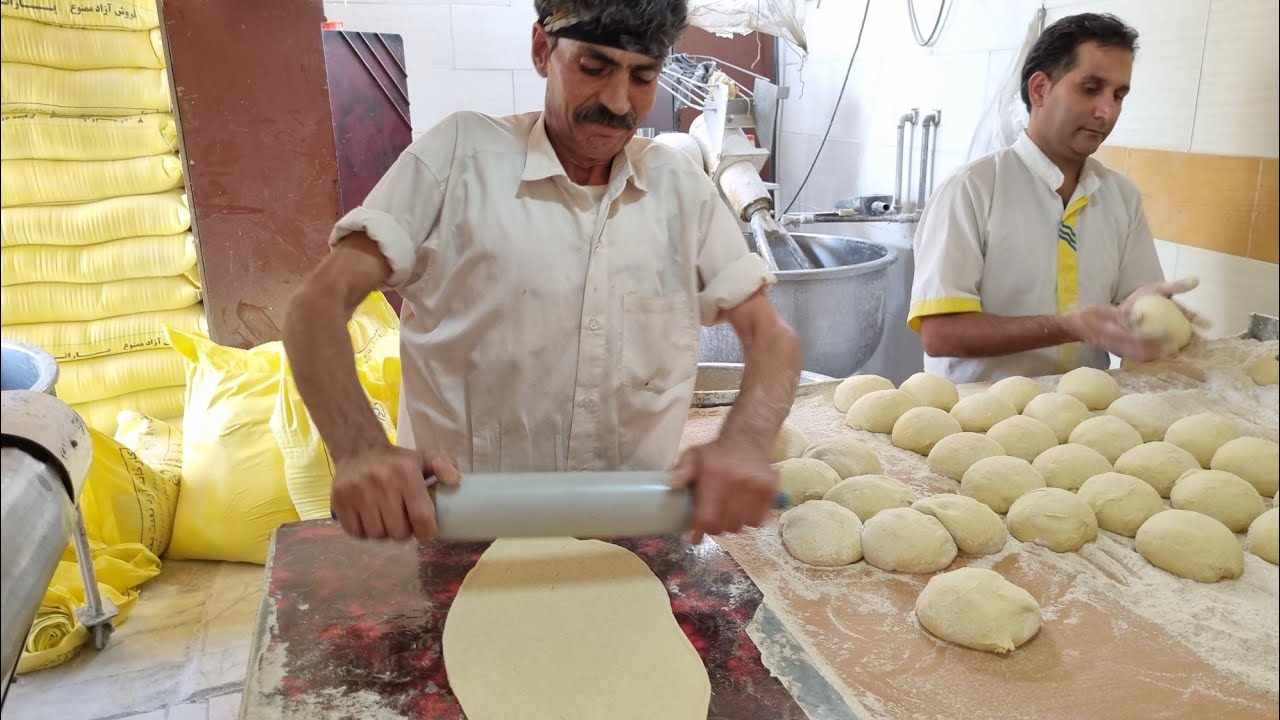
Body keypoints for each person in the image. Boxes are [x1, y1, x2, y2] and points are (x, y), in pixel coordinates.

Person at [282, 0, 801, 544]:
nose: (618, 101)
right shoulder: (459, 159)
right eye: (594, 68)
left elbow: (770, 338)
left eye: (643, 77)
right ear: (541, 50)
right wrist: (361, 446)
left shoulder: (680, 191)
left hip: (630, 536)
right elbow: (317, 306)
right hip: (464, 538)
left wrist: (745, 440)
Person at [907, 12, 1199, 384]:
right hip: (975, 420)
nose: (1107, 111)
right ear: (1040, 89)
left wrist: (1155, 322)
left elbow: (1130, 316)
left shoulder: (1120, 198)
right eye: (1090, 88)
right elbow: (940, 334)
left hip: (1089, 417)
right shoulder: (973, 189)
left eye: (1118, 95)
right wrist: (1069, 326)